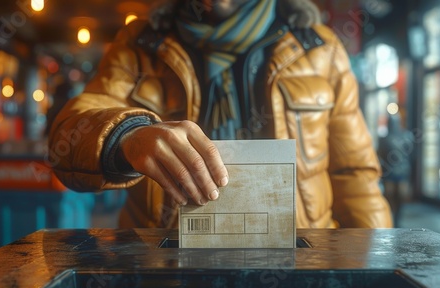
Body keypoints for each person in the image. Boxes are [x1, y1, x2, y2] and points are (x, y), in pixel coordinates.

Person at [48, 0, 392, 229]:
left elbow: (354, 174)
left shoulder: (321, 47)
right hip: (162, 267)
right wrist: (128, 135)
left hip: (301, 267)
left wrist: (376, 270)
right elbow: (67, 137)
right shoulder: (139, 44)